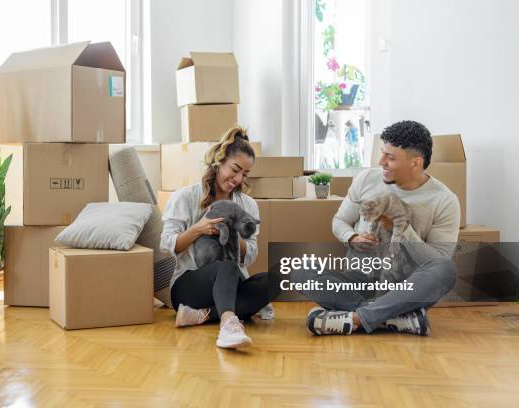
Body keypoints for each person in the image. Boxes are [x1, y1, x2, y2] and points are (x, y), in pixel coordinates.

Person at [292, 120, 460, 336]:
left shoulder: (444, 200)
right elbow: (339, 221)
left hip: (404, 288)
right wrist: (352, 237)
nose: (381, 162)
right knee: (299, 270)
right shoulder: (367, 179)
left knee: (445, 270)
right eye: (382, 153)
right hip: (359, 280)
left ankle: (356, 318)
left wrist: (401, 227)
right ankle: (391, 318)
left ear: (415, 163)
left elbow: (437, 259)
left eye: (390, 157)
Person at [160, 126, 281, 349]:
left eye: (244, 174)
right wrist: (199, 229)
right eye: (234, 169)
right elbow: (168, 245)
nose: (237, 179)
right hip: (189, 285)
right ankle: (228, 324)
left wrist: (235, 234)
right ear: (219, 160)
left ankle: (201, 315)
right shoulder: (185, 197)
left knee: (277, 279)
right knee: (225, 267)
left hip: (230, 282)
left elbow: (251, 255)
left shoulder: (248, 205)